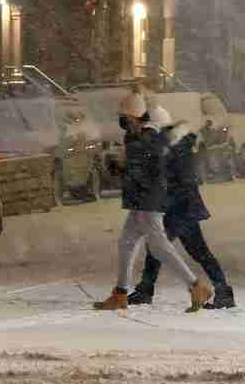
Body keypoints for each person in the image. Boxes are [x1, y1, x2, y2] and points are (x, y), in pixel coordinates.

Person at [94, 93, 213, 313]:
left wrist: (125, 164)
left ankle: (197, 287)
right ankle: (120, 294)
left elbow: (152, 163)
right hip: (141, 199)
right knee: (127, 243)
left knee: (159, 247)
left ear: (134, 116)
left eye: (124, 115)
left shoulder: (148, 136)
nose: (121, 119)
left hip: (150, 200)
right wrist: (121, 166)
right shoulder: (135, 135)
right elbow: (137, 166)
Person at [128, 107, 235, 309]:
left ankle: (147, 290)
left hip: (181, 208)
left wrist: (165, 195)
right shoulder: (173, 147)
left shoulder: (178, 149)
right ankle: (223, 292)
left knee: (171, 249)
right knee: (185, 251)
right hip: (179, 208)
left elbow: (183, 180)